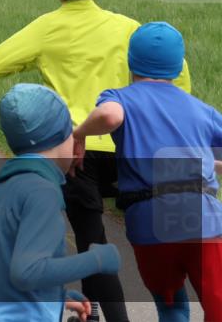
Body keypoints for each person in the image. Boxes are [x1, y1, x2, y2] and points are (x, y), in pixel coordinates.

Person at [0, 0, 192, 322]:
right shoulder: (128, 28)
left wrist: (40, 62)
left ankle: (102, 314)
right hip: (131, 148)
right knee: (155, 245)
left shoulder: (46, 28)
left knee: (92, 243)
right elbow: (178, 76)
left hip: (74, 154)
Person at [73, 22, 222, 321]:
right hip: (203, 218)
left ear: (131, 62)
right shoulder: (201, 109)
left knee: (171, 307)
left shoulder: (120, 96)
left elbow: (110, 115)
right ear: (178, 67)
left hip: (150, 222)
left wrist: (79, 135)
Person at [0, 83, 121, 321]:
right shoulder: (42, 193)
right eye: (70, 133)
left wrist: (54, 295)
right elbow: (27, 273)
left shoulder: (4, 190)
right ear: (59, 139)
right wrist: (97, 259)